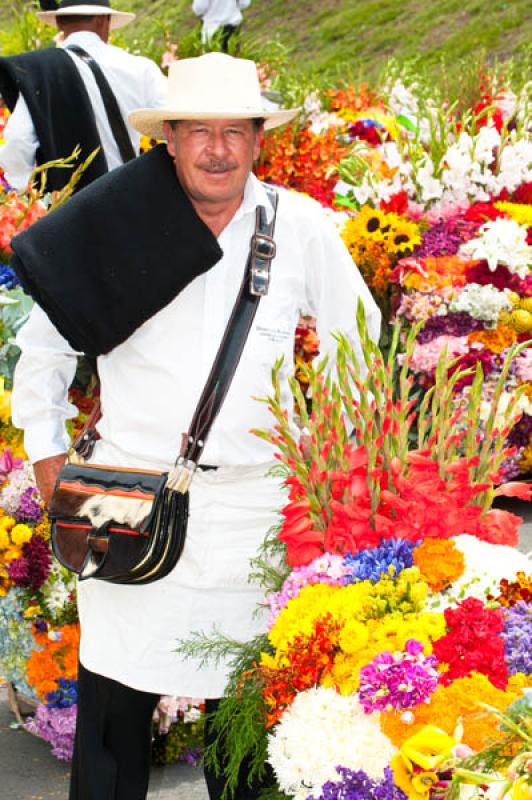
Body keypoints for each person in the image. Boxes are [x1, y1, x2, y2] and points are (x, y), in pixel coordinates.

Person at [10, 53, 381, 800]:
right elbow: (43, 351)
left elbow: (360, 347)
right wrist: (50, 461)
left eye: (235, 132)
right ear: (170, 139)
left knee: (244, 737)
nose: (218, 149)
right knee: (112, 725)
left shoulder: (299, 226)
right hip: (122, 501)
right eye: (199, 131)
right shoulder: (112, 219)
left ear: (257, 141)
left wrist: (338, 472)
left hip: (256, 511)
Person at [0, 0, 167, 192]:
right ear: (105, 20)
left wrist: (18, 184)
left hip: (73, 208)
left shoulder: (43, 72)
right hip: (131, 193)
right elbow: (177, 127)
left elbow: (19, 139)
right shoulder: (141, 69)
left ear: (60, 22)